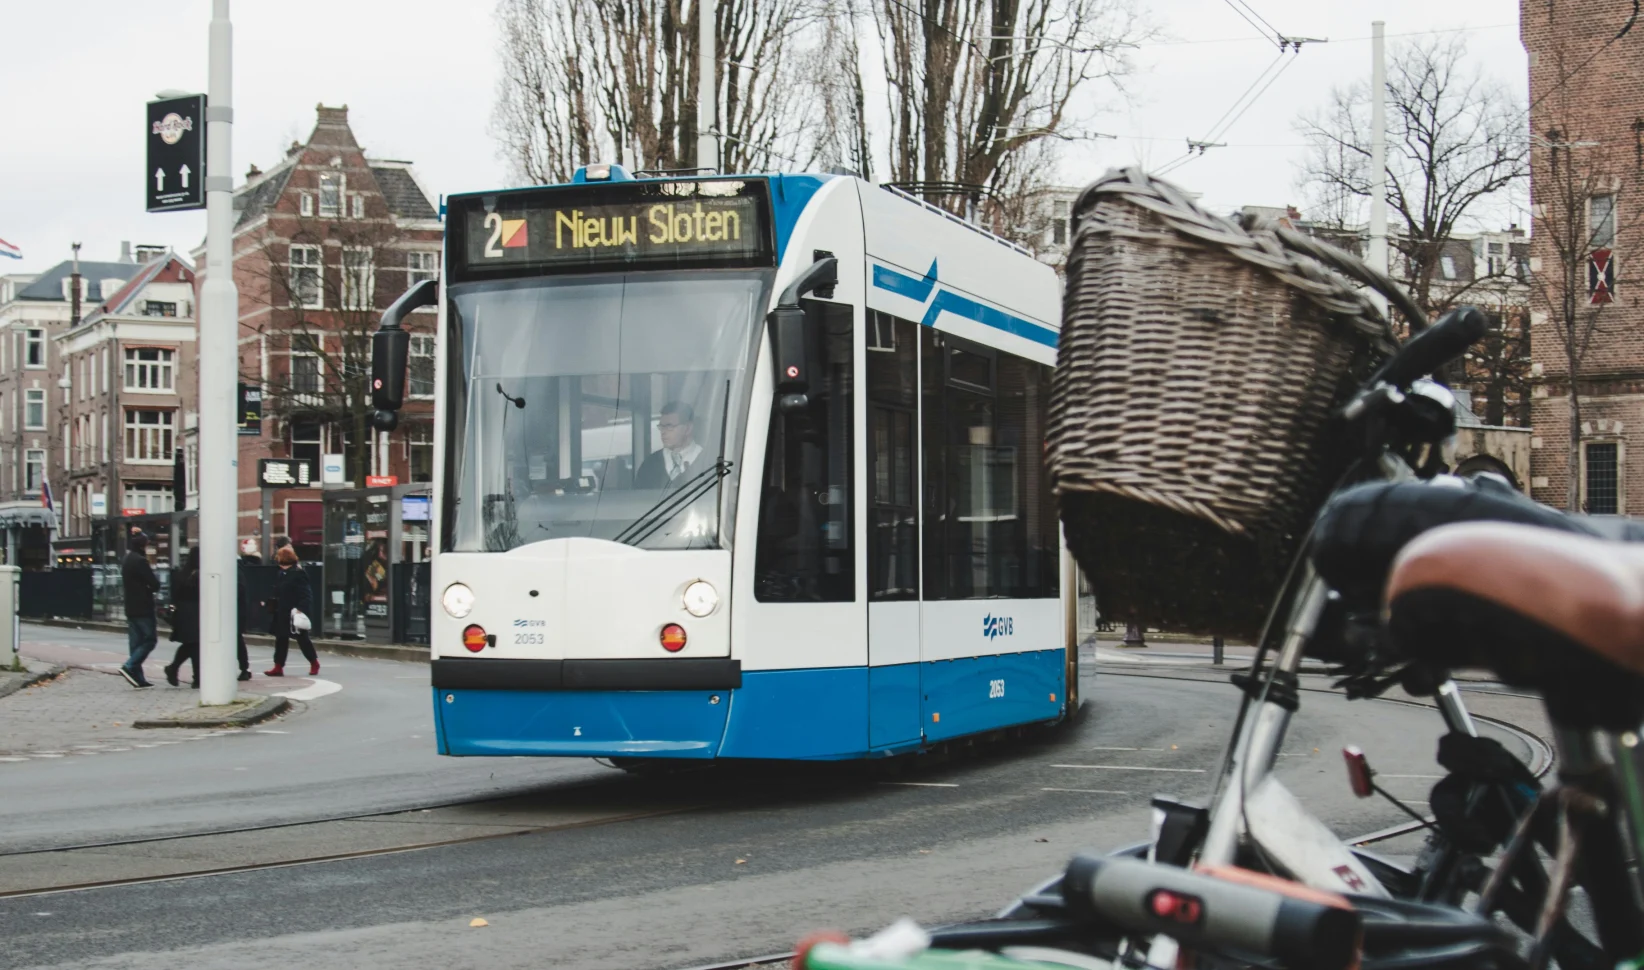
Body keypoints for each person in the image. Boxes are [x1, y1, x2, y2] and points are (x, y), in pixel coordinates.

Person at [265, 545, 319, 677]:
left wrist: (301, 609)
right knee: (281, 639)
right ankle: (278, 666)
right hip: (282, 611)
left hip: (294, 611)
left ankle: (314, 661)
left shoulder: (298, 573)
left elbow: (306, 594)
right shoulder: (281, 573)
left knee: (302, 639)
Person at [119, 533, 161, 689]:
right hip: (143, 606)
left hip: (130, 607)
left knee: (135, 643)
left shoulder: (127, 560)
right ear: (143, 545)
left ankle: (138, 678)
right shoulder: (140, 561)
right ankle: (129, 666)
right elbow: (154, 583)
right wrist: (150, 587)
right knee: (150, 640)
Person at [634, 401, 706, 489]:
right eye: (661, 427)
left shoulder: (709, 461)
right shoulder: (649, 465)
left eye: (669, 426)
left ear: (688, 428)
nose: (663, 432)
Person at [163, 548, 201, 688]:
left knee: (190, 645)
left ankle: (174, 668)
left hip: (183, 614)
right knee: (195, 646)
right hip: (196, 613)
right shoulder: (200, 575)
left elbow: (174, 595)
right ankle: (197, 677)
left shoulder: (181, 574)